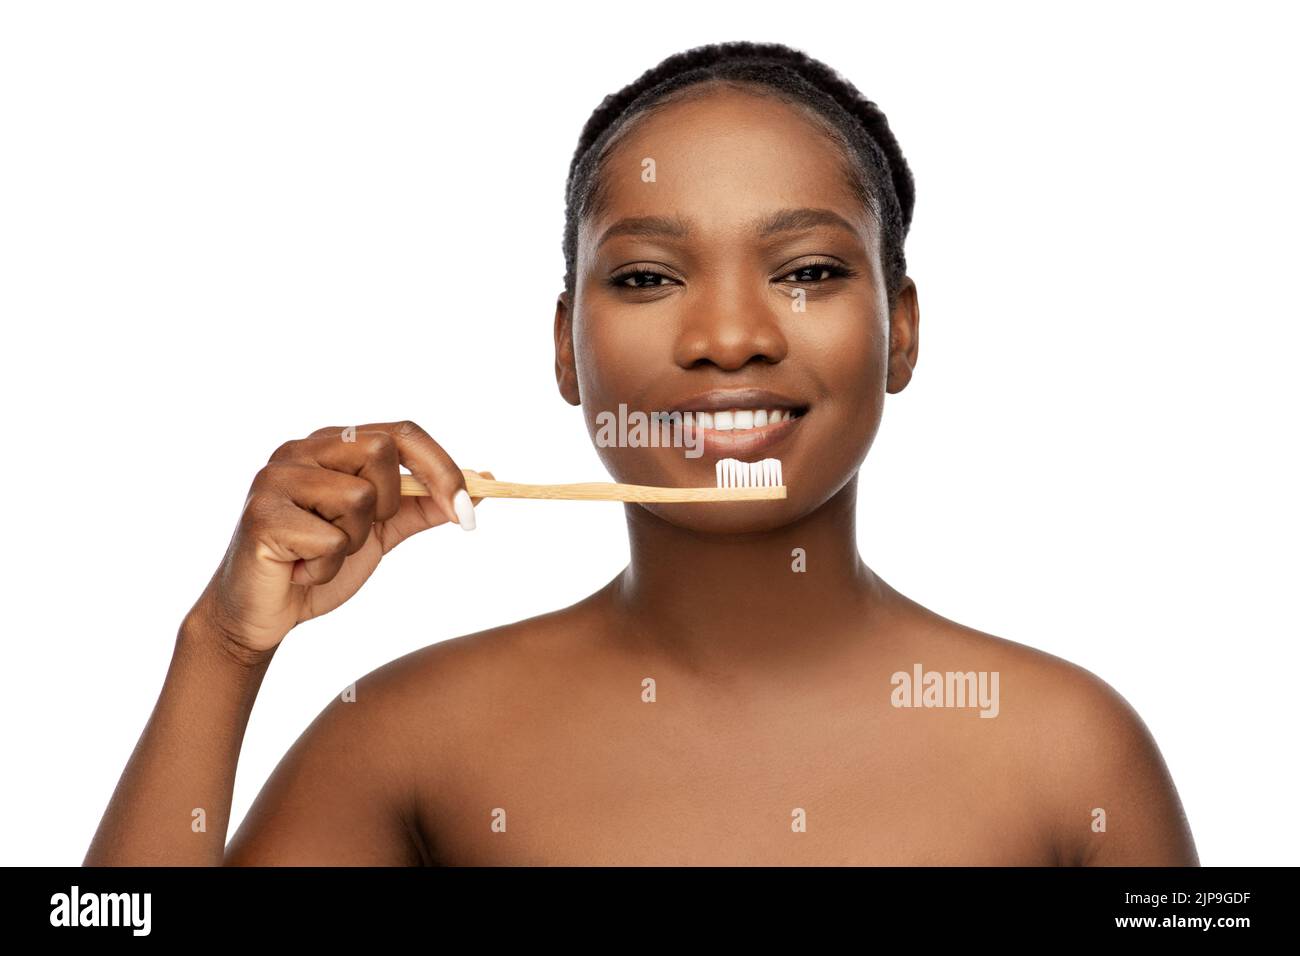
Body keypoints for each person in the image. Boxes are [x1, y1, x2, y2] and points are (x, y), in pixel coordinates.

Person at [85, 40, 1198, 866]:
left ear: (900, 329)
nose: (727, 337)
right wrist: (224, 645)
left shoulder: (1070, 753)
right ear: (565, 349)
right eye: (646, 278)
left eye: (807, 269)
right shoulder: (409, 739)